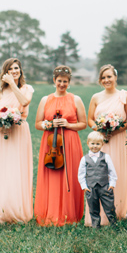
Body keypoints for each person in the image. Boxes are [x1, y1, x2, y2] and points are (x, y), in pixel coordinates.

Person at [34, 65, 86, 226]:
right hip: (51, 144)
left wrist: (68, 124)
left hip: (70, 142)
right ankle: (50, 212)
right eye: (59, 81)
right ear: (54, 80)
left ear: (69, 82)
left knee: (69, 176)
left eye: (65, 81)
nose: (62, 84)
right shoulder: (45, 100)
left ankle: (69, 214)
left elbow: (83, 124)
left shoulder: (75, 99)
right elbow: (37, 123)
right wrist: (48, 124)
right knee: (53, 176)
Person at [0, 58, 35, 223]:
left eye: (17, 68)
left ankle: (19, 210)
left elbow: (24, 101)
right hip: (2, 134)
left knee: (18, 169)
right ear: (5, 72)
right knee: (3, 169)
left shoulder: (27, 88)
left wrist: (13, 84)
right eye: (10, 69)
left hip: (20, 131)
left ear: (20, 71)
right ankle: (2, 209)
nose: (14, 71)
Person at [85, 64, 127, 225]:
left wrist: (115, 130)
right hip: (101, 142)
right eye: (103, 77)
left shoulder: (124, 96)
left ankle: (117, 212)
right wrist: (100, 128)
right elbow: (90, 119)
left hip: (118, 140)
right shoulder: (96, 97)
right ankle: (99, 215)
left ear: (115, 77)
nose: (106, 80)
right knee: (99, 175)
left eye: (109, 76)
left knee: (117, 173)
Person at [79, 131, 118, 227]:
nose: (95, 146)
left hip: (104, 187)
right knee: (93, 209)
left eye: (97, 144)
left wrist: (111, 185)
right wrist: (84, 187)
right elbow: (81, 174)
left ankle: (114, 225)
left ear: (102, 144)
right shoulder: (84, 159)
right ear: (88, 143)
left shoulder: (106, 157)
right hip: (91, 188)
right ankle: (96, 226)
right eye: (92, 143)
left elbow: (112, 172)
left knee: (109, 207)